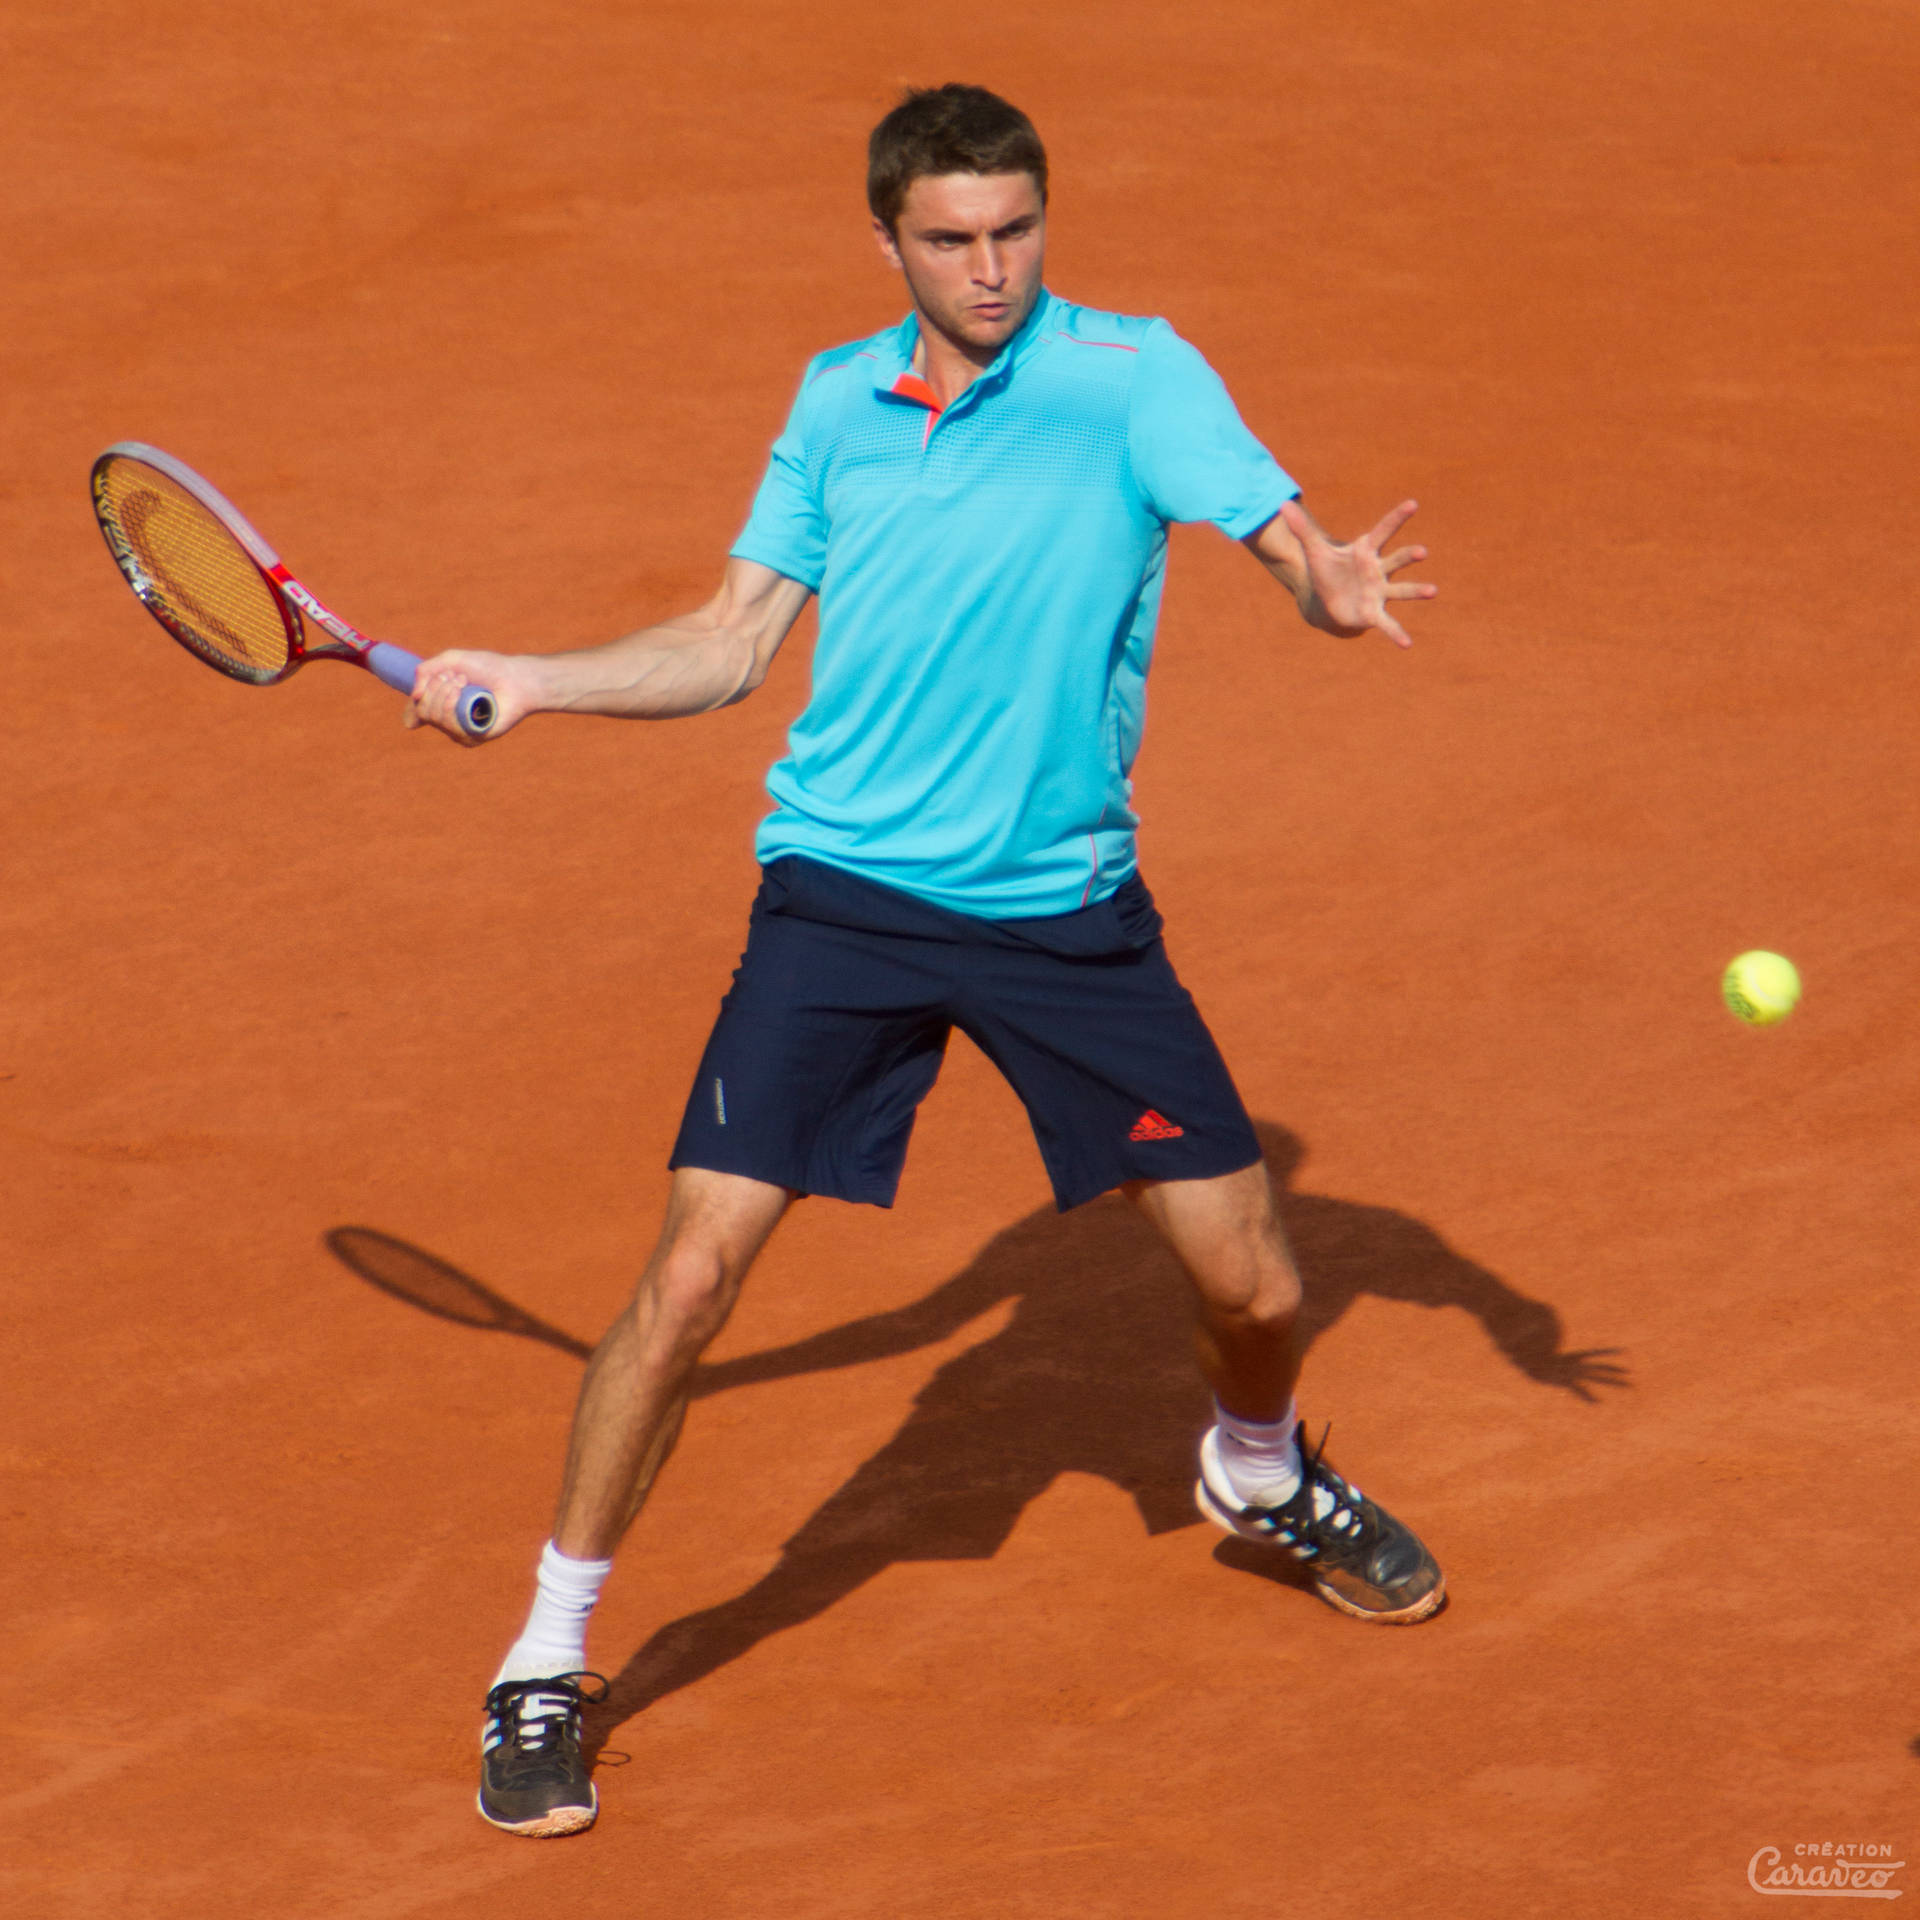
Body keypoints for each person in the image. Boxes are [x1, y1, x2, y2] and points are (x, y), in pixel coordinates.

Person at [407, 83, 1442, 1841]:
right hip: (846, 902)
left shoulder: (1131, 375)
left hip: (1064, 917)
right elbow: (734, 642)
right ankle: (544, 1660)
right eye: (953, 239)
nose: (992, 268)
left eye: (1017, 229)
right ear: (887, 241)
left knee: (1260, 1285)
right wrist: (541, 674)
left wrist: (1318, 579)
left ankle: (1255, 1475)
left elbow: (1273, 530)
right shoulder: (835, 402)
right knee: (687, 1283)